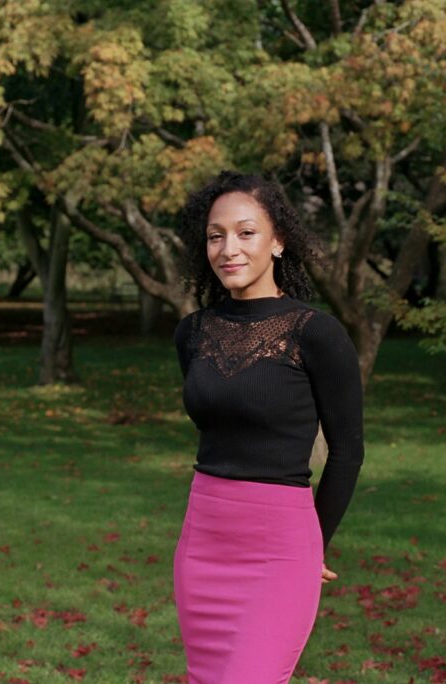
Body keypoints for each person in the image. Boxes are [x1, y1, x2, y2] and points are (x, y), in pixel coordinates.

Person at [171, 170, 365, 683]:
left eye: (246, 232)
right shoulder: (193, 332)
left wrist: (315, 544)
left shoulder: (315, 334)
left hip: (279, 550)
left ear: (278, 241)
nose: (228, 248)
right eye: (216, 235)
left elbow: (347, 451)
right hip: (203, 541)